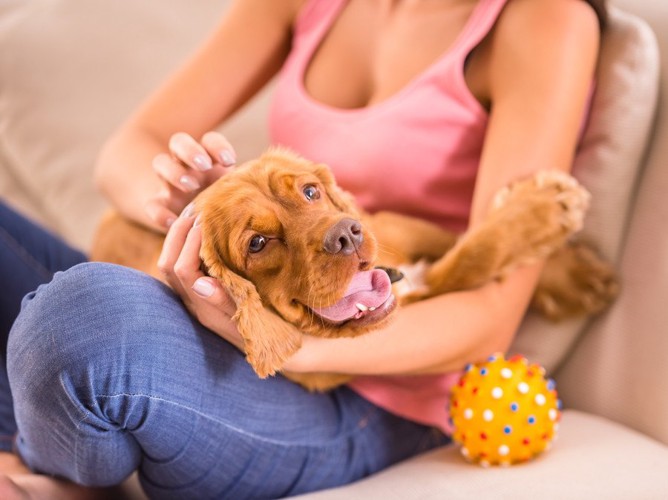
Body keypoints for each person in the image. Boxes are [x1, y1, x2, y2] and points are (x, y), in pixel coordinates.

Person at [0, 0, 606, 497]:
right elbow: (127, 152)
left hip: (368, 397)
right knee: (79, 312)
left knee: (80, 316)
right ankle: (52, 433)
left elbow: (488, 321)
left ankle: (49, 461)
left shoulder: (541, 19)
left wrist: (287, 346)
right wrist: (194, 210)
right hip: (233, 314)